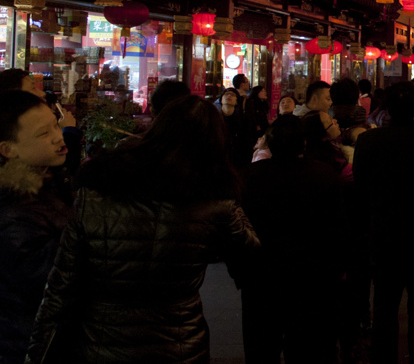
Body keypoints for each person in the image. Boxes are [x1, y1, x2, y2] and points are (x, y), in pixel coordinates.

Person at [26, 95, 260, 364]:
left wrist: (38, 352)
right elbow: (251, 259)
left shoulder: (100, 184)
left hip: (99, 342)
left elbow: (61, 286)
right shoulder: (215, 199)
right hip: (179, 342)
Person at [354, 82, 414, 364]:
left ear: (388, 110)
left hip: (384, 233)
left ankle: (383, 357)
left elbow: (361, 189)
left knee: (384, 304)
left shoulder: (369, 141)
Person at [242, 115, 345, 364]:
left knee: (261, 347)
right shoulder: (324, 176)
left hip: (262, 275)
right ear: (304, 144)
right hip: (312, 276)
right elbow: (337, 227)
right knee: (307, 346)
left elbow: (238, 228)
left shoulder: (249, 176)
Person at [0, 91, 72, 364]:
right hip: (26, 345)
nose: (58, 135)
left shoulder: (48, 183)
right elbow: (54, 282)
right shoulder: (13, 212)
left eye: (56, 124)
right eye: (43, 134)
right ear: (8, 149)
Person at [299, 81, 343, 172]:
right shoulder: (301, 122)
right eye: (327, 99)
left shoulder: (323, 116)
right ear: (314, 98)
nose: (331, 102)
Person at [220, 87, 253, 174]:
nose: (229, 95)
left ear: (237, 101)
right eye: (226, 94)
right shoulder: (215, 119)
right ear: (221, 100)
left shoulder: (242, 121)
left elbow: (247, 142)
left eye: (233, 95)